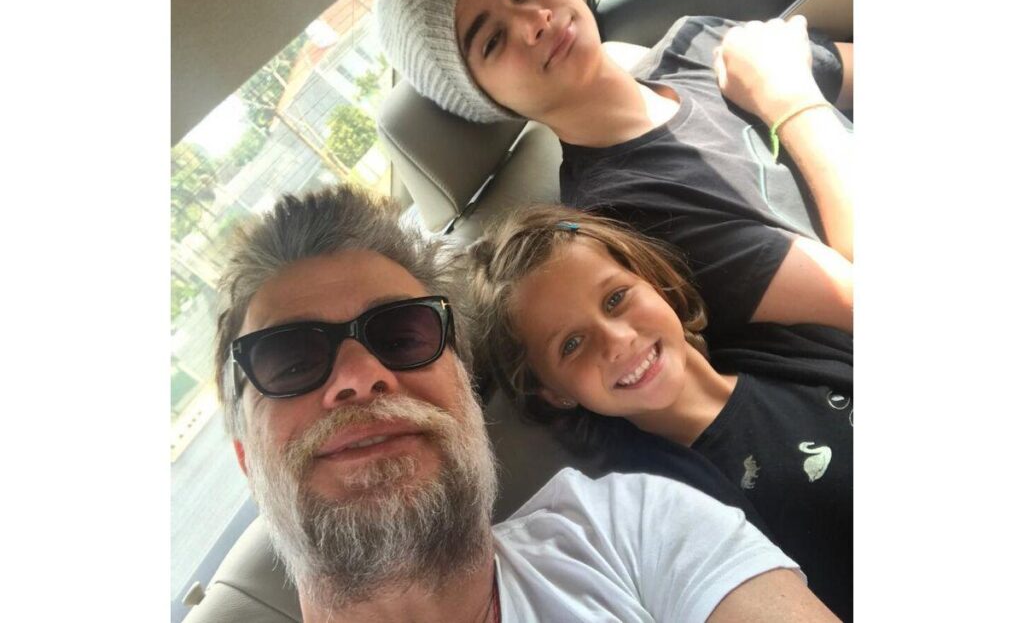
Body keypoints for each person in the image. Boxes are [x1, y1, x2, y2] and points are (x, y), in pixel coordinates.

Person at [212, 184, 841, 622]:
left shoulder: (631, 528)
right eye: (289, 361)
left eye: (403, 336)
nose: (359, 376)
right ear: (245, 460)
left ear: (467, 396)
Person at [375, 0, 855, 344]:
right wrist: (790, 100)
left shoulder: (696, 42)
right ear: (483, 98)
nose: (533, 21)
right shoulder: (622, 218)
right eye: (492, 42)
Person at [464, 203, 853, 620]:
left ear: (653, 281)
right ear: (555, 393)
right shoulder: (664, 510)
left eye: (615, 299)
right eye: (571, 345)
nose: (617, 340)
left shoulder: (779, 343)